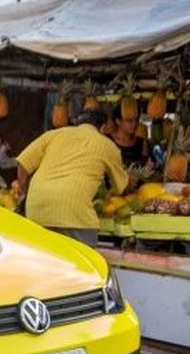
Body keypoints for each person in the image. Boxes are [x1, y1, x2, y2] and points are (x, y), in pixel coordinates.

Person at [16, 110, 130, 247]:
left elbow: (23, 163)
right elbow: (120, 188)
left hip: (36, 208)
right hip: (73, 212)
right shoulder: (107, 145)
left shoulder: (54, 134)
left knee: (46, 260)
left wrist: (24, 191)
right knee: (84, 261)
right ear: (103, 128)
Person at [109, 104, 151, 168]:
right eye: (129, 120)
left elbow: (146, 168)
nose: (134, 124)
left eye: (136, 120)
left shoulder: (143, 143)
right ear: (118, 121)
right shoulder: (107, 141)